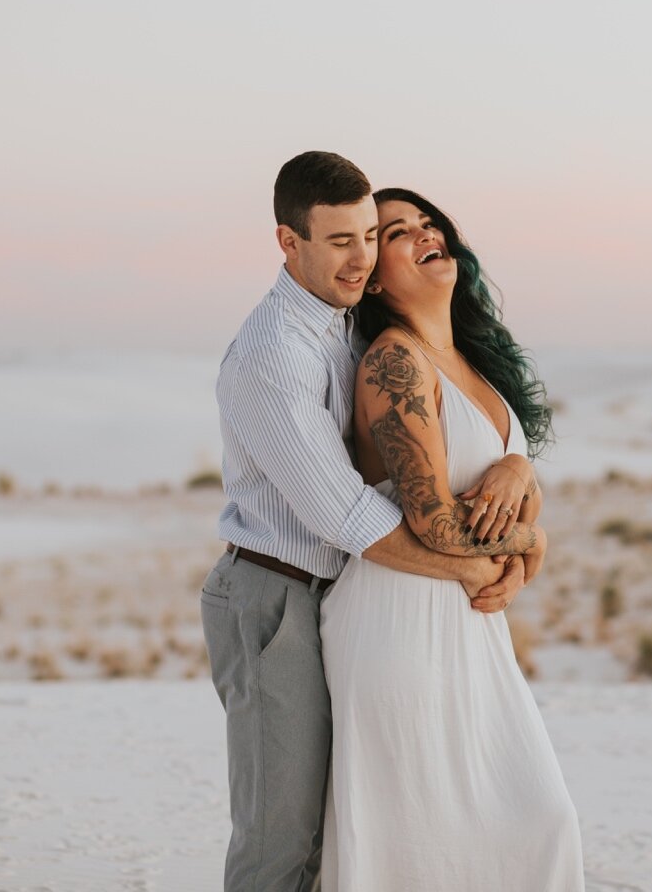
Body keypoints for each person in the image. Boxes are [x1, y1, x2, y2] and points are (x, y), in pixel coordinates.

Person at [202, 152, 544, 891]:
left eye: (368, 236)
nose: (360, 259)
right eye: (341, 241)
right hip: (275, 595)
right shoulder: (274, 353)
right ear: (289, 243)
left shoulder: (346, 325)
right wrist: (487, 563)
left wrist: (521, 483)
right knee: (281, 837)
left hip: (342, 594)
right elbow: (348, 515)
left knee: (346, 827)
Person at [319, 187, 585, 890]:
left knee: (533, 823)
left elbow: (489, 478)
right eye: (397, 232)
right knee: (422, 845)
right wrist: (534, 545)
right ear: (374, 274)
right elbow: (432, 519)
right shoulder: (393, 362)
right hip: (399, 622)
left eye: (428, 222)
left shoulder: (473, 359)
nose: (423, 234)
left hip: (467, 621)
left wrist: (517, 462)